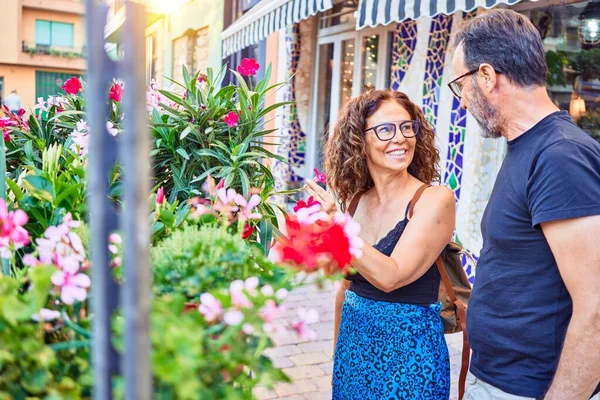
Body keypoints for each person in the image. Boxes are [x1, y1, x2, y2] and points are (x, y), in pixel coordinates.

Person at [449, 9, 600, 400]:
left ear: (486, 76)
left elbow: (596, 307)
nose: (462, 100)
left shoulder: (559, 157)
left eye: (460, 85)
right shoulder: (528, 147)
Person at [304, 89, 455, 399]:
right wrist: (339, 357)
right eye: (385, 129)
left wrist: (339, 227)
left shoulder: (434, 200)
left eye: (406, 126)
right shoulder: (357, 202)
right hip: (354, 352)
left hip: (410, 358)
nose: (400, 138)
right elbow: (345, 289)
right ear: (360, 140)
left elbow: (391, 276)